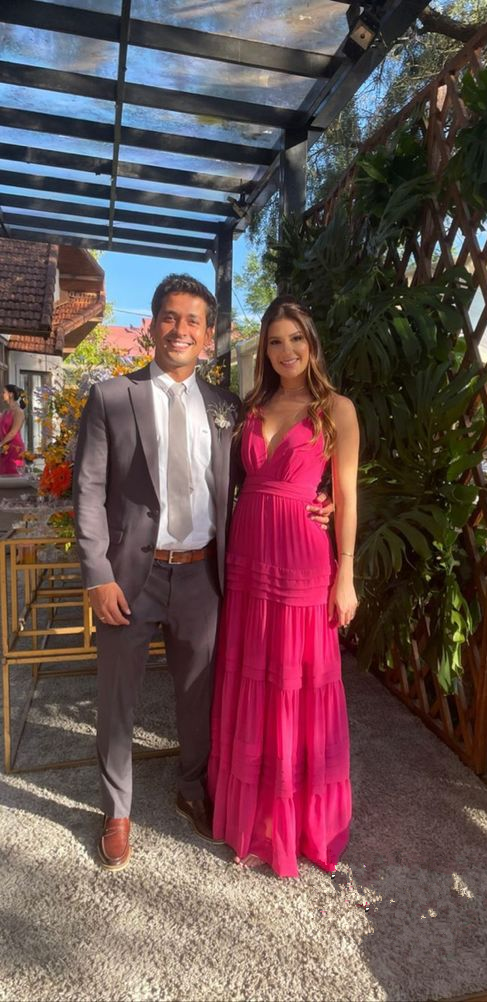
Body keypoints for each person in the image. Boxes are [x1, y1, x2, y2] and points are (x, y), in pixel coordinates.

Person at [73, 274, 331, 872]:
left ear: (208, 334)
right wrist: (96, 574)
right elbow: (86, 492)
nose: (180, 329)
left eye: (193, 320)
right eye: (170, 317)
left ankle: (192, 787)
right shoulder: (112, 397)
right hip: (128, 577)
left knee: (200, 696)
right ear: (153, 325)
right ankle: (116, 809)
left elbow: (260, 477)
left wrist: (326, 499)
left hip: (202, 578)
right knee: (117, 697)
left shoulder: (227, 408)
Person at [208, 295, 359, 878]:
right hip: (248, 554)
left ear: (311, 344)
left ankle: (296, 821)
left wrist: (346, 572)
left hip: (302, 557)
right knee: (253, 671)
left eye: (296, 338)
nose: (286, 350)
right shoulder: (252, 407)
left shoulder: (336, 409)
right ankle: (253, 811)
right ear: (264, 351)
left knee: (297, 675)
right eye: (275, 341)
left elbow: (346, 495)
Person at [0, 384, 26, 475]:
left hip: (15, 449)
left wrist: (1, 444)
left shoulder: (19, 412)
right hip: (4, 449)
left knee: (13, 476)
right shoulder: (5, 412)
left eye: (4, 392)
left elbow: (13, 432)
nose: (1, 394)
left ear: (11, 394)